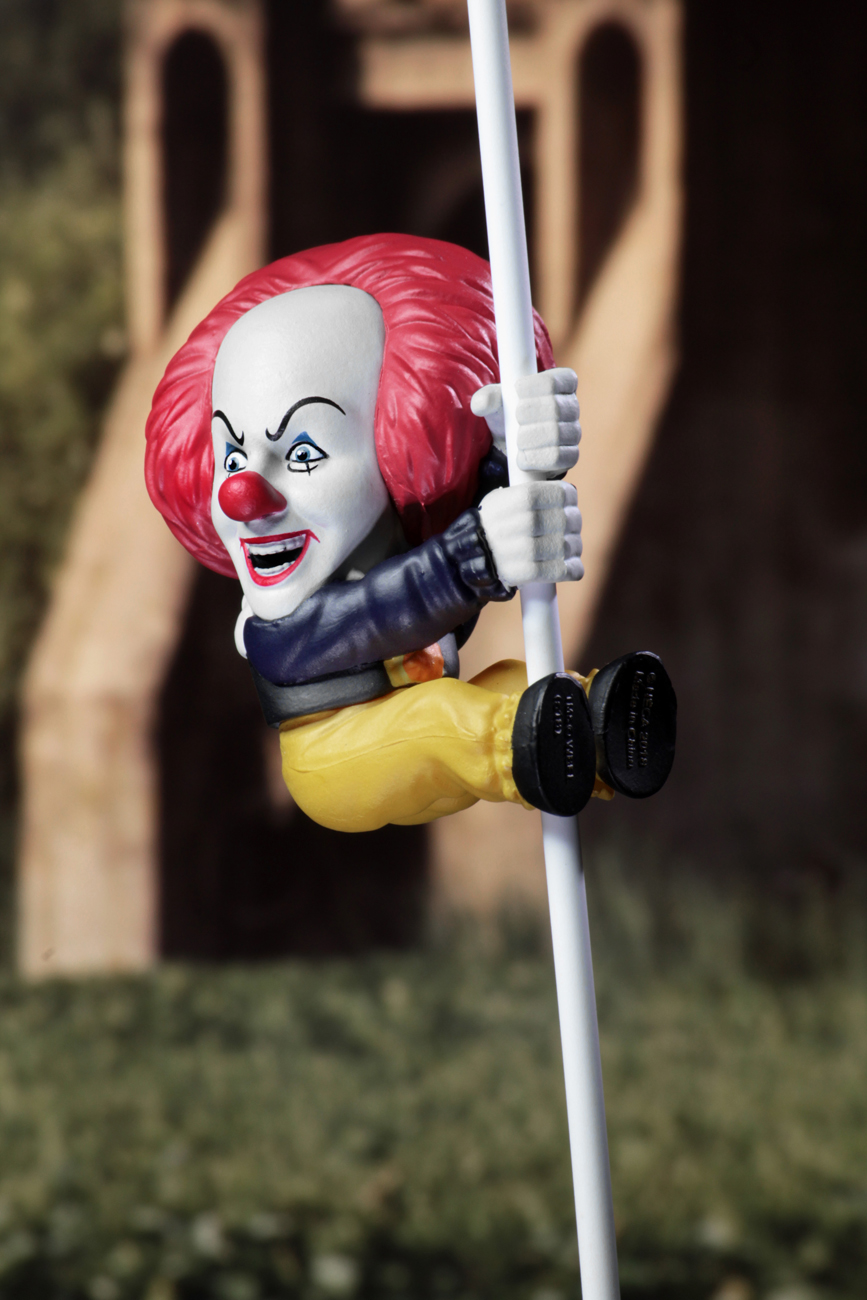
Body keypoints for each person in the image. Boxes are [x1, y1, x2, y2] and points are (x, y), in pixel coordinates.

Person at [145, 233, 601, 832]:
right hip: (337, 758)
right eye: (231, 458)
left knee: (527, 683)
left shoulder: (397, 545)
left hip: (436, 730)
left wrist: (507, 458)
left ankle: (605, 730)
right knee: (445, 721)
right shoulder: (278, 633)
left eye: (303, 454)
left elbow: (443, 581)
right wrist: (477, 557)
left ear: (393, 444)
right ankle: (533, 749)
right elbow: (385, 610)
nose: (244, 496)